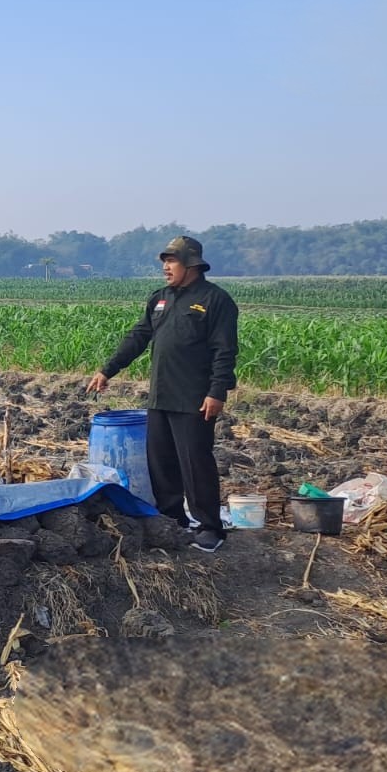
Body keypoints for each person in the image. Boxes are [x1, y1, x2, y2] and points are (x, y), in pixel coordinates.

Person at [86, 236, 239, 552]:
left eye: (172, 261)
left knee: (195, 464)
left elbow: (225, 351)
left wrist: (217, 391)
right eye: (164, 262)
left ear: (191, 264)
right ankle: (172, 521)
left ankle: (210, 528)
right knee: (161, 462)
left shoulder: (215, 300)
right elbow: (138, 337)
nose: (166, 268)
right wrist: (107, 370)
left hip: (195, 398)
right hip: (161, 396)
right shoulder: (160, 299)